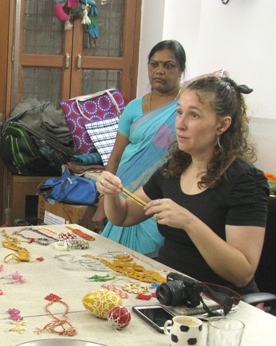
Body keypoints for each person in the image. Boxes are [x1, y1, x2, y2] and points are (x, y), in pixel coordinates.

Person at [98, 76, 269, 295]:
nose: (180, 124)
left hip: (220, 302)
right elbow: (123, 216)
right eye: (179, 112)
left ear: (222, 125)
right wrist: (111, 192)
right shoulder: (174, 168)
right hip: (172, 291)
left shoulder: (246, 182)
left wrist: (188, 222)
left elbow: (242, 273)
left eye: (194, 115)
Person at [97, 40, 186, 254]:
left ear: (181, 70)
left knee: (148, 258)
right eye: (154, 65)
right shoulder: (133, 107)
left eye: (168, 65)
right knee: (112, 259)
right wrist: (103, 200)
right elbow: (116, 156)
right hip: (124, 189)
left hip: (160, 195)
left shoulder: (185, 108)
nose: (159, 71)